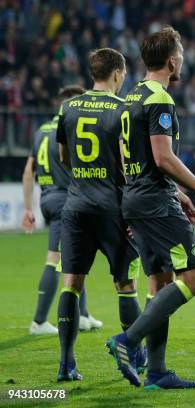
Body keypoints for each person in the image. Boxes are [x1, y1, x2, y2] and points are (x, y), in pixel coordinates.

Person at [105, 26, 195, 390]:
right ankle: (126, 341)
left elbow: (139, 158)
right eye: (182, 55)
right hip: (154, 203)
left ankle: (156, 372)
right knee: (194, 279)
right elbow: (163, 156)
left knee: (159, 282)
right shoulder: (159, 99)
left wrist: (178, 193)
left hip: (139, 198)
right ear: (172, 60)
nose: (184, 60)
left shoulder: (131, 97)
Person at [55, 48, 143, 381]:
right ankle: (133, 357)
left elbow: (64, 156)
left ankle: (66, 364)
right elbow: (126, 162)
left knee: (72, 284)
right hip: (112, 206)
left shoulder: (69, 106)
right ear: (118, 73)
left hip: (76, 205)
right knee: (125, 284)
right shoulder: (122, 109)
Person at [22, 85, 103, 335]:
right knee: (55, 259)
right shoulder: (72, 127)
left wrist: (28, 208)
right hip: (65, 200)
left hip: (48, 198)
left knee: (77, 253)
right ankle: (39, 321)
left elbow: (28, 172)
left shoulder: (42, 131)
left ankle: (83, 315)